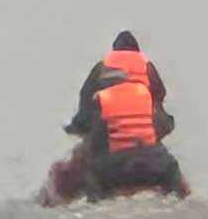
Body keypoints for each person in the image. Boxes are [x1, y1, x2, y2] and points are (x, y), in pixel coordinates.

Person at [63, 31, 187, 198]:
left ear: (114, 51)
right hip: (152, 162)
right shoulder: (146, 79)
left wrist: (75, 127)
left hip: (113, 163)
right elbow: (160, 108)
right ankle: (182, 196)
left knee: (89, 175)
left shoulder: (101, 79)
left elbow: (84, 115)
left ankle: (93, 199)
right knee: (173, 173)